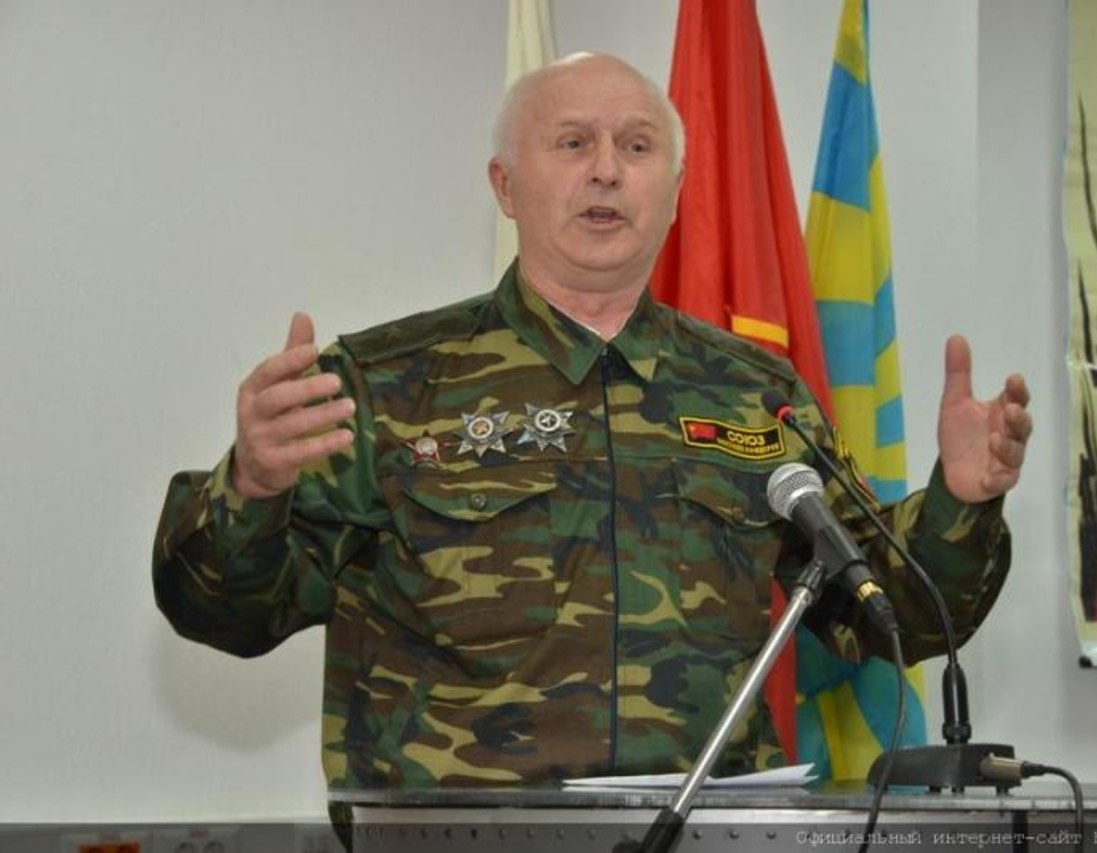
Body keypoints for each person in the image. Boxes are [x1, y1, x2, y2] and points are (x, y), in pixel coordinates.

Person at [153, 53, 1032, 793]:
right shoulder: (385, 386)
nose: (607, 170)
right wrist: (250, 488)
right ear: (506, 185)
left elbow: (884, 615)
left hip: (709, 832)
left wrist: (960, 502)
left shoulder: (755, 392)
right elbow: (227, 613)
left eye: (637, 146)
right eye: (573, 143)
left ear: (676, 191)